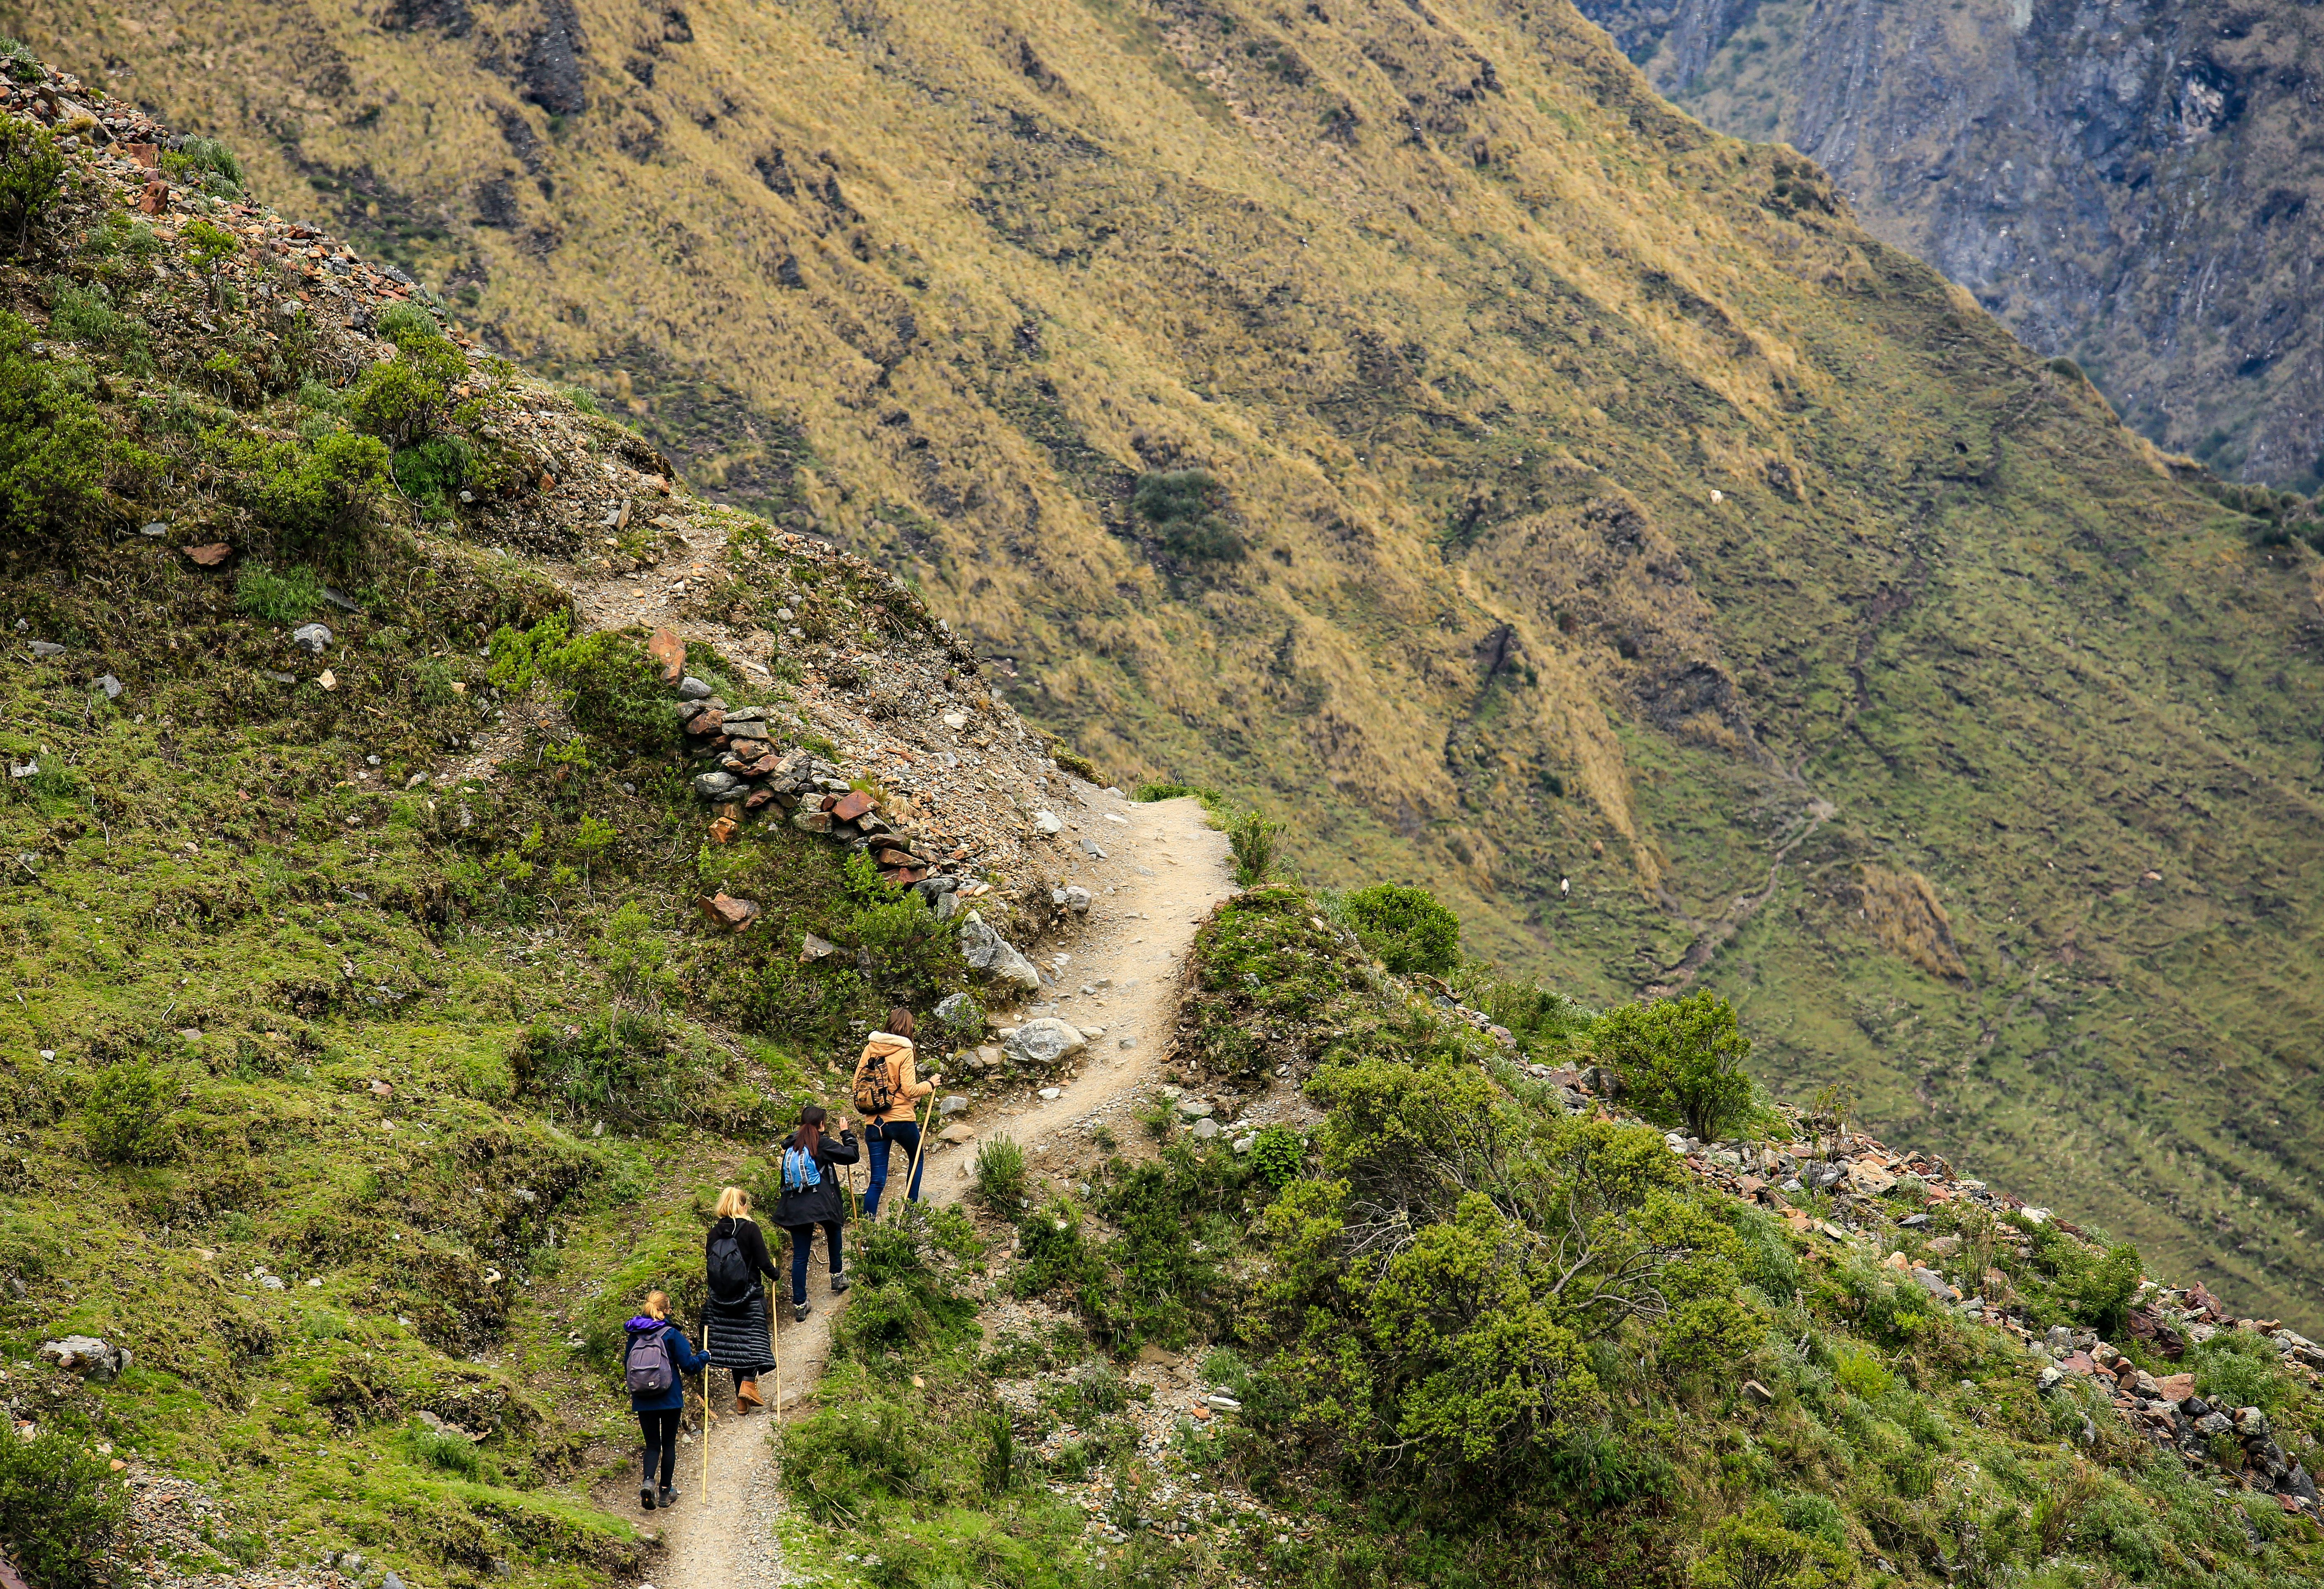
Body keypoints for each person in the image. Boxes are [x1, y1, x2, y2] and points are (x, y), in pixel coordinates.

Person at [622, 1290, 709, 1513]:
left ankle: (648, 1482)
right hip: (669, 1398)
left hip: (643, 1399)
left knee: (652, 1445)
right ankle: (665, 1492)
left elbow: (628, 1366)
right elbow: (689, 1366)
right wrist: (704, 1357)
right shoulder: (671, 1334)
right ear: (666, 1310)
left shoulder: (634, 1335)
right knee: (668, 1444)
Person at [774, 1104, 860, 1322]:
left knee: (800, 1256)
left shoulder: (791, 1144)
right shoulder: (821, 1142)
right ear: (822, 1124)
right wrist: (847, 1134)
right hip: (821, 1203)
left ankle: (800, 1304)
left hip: (795, 1205)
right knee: (834, 1229)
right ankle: (837, 1277)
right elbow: (852, 1156)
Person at [851, 1008, 940, 1219]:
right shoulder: (905, 1050)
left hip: (874, 1122)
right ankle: (909, 1216)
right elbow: (909, 1090)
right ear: (909, 1027)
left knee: (877, 1181)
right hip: (900, 1120)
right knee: (916, 1160)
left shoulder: (870, 1048)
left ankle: (867, 1228)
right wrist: (930, 1084)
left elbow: (856, 1085)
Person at [703, 1186, 780, 1414]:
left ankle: (741, 1402)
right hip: (749, 1295)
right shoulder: (750, 1228)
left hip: (721, 1300)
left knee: (735, 1347)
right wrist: (775, 1274)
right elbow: (763, 1262)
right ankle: (748, 1382)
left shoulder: (713, 1233)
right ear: (743, 1206)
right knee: (754, 1341)